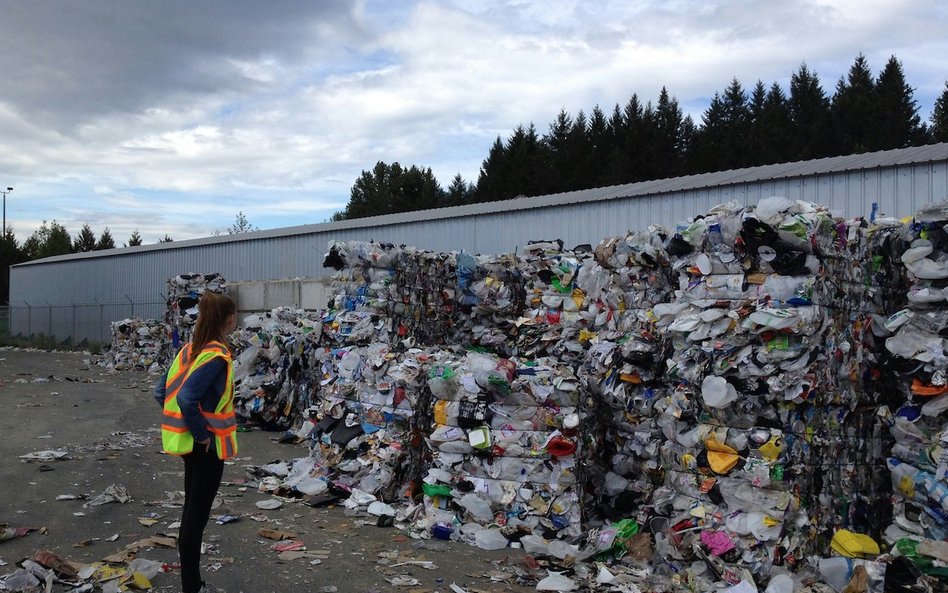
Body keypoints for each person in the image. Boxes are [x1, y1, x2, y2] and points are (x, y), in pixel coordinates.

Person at [154, 292, 238, 593]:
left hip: (189, 447)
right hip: (207, 448)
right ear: (227, 318)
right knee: (195, 519)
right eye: (234, 314)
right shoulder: (215, 356)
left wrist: (187, 426)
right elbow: (187, 398)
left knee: (191, 512)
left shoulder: (189, 350)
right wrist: (202, 433)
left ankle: (192, 582)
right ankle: (191, 586)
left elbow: (160, 392)